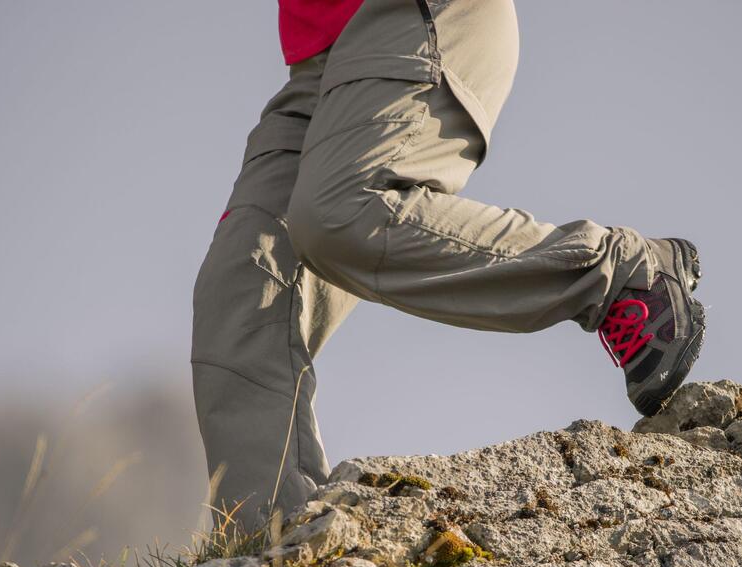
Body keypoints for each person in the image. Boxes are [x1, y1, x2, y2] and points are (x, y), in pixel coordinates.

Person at [191, 0, 705, 532]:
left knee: (343, 211)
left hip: (416, 16)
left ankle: (622, 274)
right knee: (241, 295)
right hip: (315, 64)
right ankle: (280, 560)